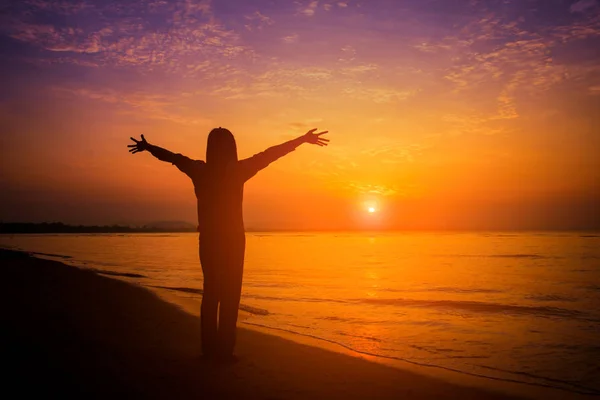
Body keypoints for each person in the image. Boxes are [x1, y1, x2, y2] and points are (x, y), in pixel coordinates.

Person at [127, 127, 329, 362]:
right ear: (232, 148)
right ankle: (225, 351)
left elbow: (172, 157)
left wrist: (149, 147)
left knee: (212, 292)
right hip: (232, 240)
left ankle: (209, 349)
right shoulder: (237, 171)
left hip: (210, 240)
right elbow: (270, 154)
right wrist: (302, 140)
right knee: (230, 294)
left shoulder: (199, 170)